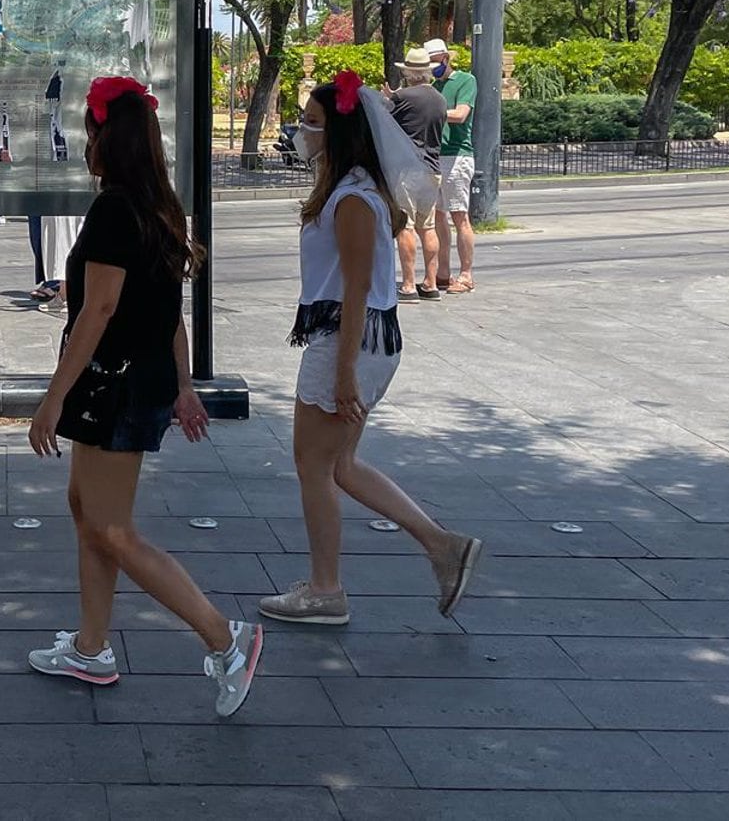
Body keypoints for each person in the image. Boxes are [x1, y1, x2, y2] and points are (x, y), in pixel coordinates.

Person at [26, 76, 262, 719]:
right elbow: (169, 313)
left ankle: (225, 639)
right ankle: (91, 647)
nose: (84, 142)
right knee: (87, 508)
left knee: (111, 527)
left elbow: (97, 311)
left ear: (106, 138)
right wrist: (184, 387)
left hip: (115, 384)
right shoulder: (160, 207)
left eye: (89, 130)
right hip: (141, 378)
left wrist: (53, 398)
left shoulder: (113, 210)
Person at [260, 71, 483, 629]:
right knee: (341, 465)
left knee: (313, 466)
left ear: (340, 133)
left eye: (312, 124)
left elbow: (357, 287)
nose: (302, 134)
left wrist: (342, 376)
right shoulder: (351, 191)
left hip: (348, 340)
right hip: (355, 340)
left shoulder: (355, 197)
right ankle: (442, 547)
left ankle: (325, 588)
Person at [387, 49, 444, 300]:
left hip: (407, 170)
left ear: (409, 73)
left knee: (405, 227)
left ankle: (409, 284)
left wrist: (388, 98)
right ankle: (430, 283)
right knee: (428, 227)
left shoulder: (402, 96)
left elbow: (384, 122)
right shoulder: (440, 100)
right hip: (432, 168)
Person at [427, 38, 478, 293]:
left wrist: (430, 111)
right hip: (435, 156)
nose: (431, 67)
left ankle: (466, 275)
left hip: (457, 156)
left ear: (445, 58)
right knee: (438, 217)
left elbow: (460, 114)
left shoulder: (466, 80)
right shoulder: (434, 86)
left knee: (460, 216)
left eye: (433, 61)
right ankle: (444, 272)